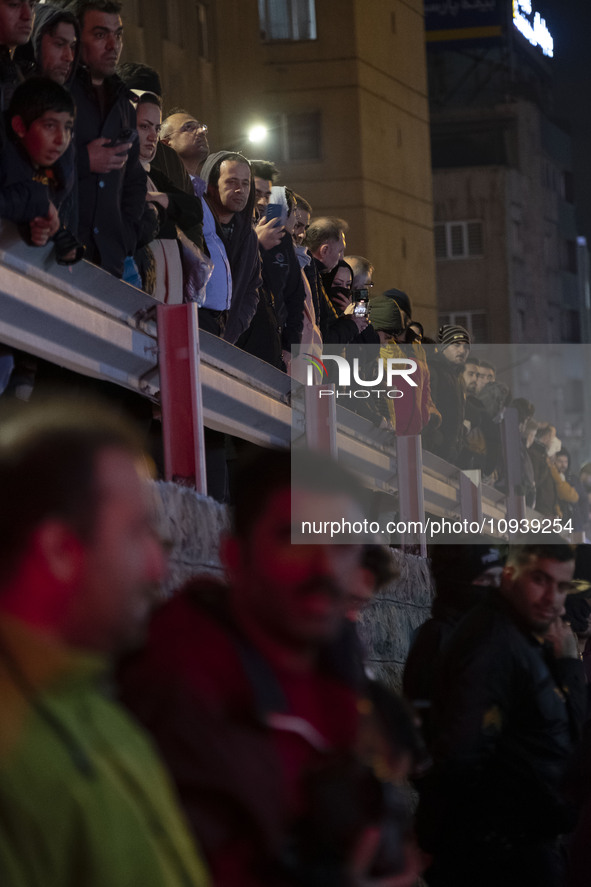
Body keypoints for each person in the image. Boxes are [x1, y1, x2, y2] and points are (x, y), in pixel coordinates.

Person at [120, 448, 418, 886]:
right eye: (295, 538)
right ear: (235, 556)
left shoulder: (333, 669)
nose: (324, 567)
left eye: (342, 546)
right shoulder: (180, 687)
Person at [0, 397, 209, 887]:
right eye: (137, 534)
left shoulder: (106, 716)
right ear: (59, 551)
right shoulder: (14, 758)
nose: (158, 568)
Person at [417, 544, 585, 887]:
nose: (552, 597)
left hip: (526, 844)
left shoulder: (526, 638)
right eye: (540, 580)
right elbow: (461, 754)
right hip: (503, 856)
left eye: (562, 586)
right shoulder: (493, 643)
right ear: (510, 577)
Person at [69, 0, 147, 278]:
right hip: (66, 257)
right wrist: (83, 160)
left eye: (118, 35)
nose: (113, 46)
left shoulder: (124, 106)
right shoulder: (60, 97)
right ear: (77, 39)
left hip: (112, 261)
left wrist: (125, 233)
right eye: (101, 35)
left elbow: (135, 179)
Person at [403, 544, 504, 747]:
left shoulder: (487, 634)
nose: (496, 589)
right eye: (485, 579)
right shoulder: (438, 639)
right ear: (458, 583)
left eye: (500, 579)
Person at [2, 77, 83, 262]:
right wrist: (39, 203)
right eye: (50, 126)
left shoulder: (55, 171)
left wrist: (45, 231)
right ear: (19, 126)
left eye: (68, 127)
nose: (61, 139)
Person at [200, 150, 261, 343]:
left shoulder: (248, 236)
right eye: (231, 181)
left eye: (245, 183)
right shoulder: (197, 226)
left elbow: (252, 289)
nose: (239, 190)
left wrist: (234, 327)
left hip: (228, 341)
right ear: (211, 185)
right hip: (192, 329)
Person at [422, 324, 470, 466]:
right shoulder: (433, 370)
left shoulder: (458, 377)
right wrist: (435, 441)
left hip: (450, 452)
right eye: (456, 345)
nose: (462, 350)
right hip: (434, 450)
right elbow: (427, 409)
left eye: (466, 347)